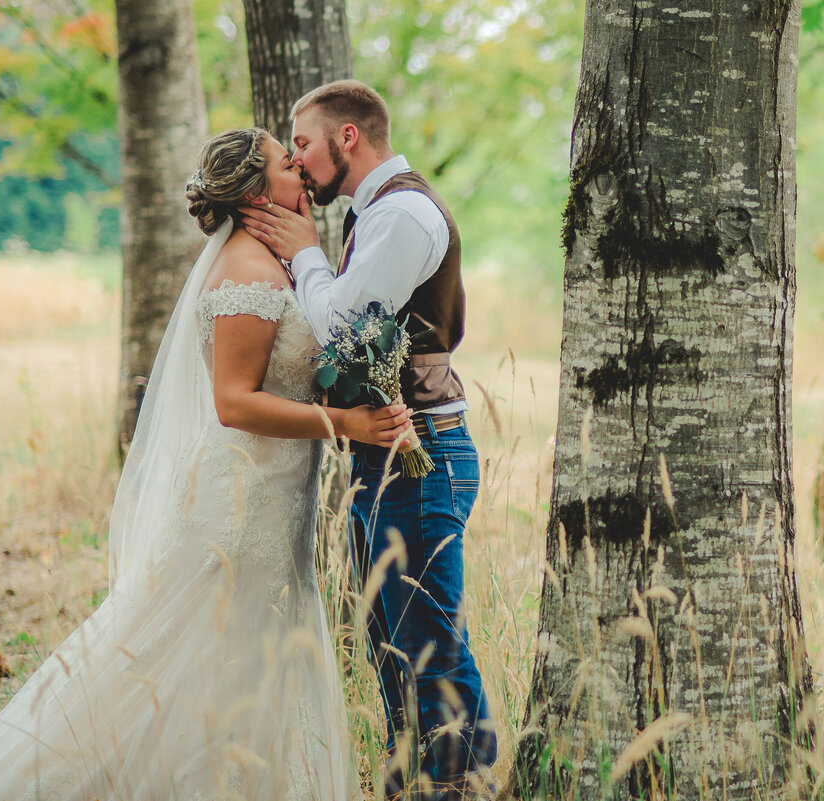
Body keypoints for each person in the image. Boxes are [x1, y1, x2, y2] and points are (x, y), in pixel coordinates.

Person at [0, 128, 412, 801]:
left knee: (243, 656)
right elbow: (234, 402)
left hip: (274, 494)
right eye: (283, 160)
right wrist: (350, 422)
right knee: (189, 647)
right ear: (253, 191)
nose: (299, 164)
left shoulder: (279, 258)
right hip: (237, 500)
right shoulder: (246, 270)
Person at [239, 80, 497, 800]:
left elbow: (347, 332)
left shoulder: (405, 214)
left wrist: (308, 255)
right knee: (394, 647)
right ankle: (414, 782)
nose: (296, 158)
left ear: (346, 138)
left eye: (303, 144)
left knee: (429, 644)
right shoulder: (374, 214)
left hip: (420, 457)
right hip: (382, 455)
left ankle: (459, 787)